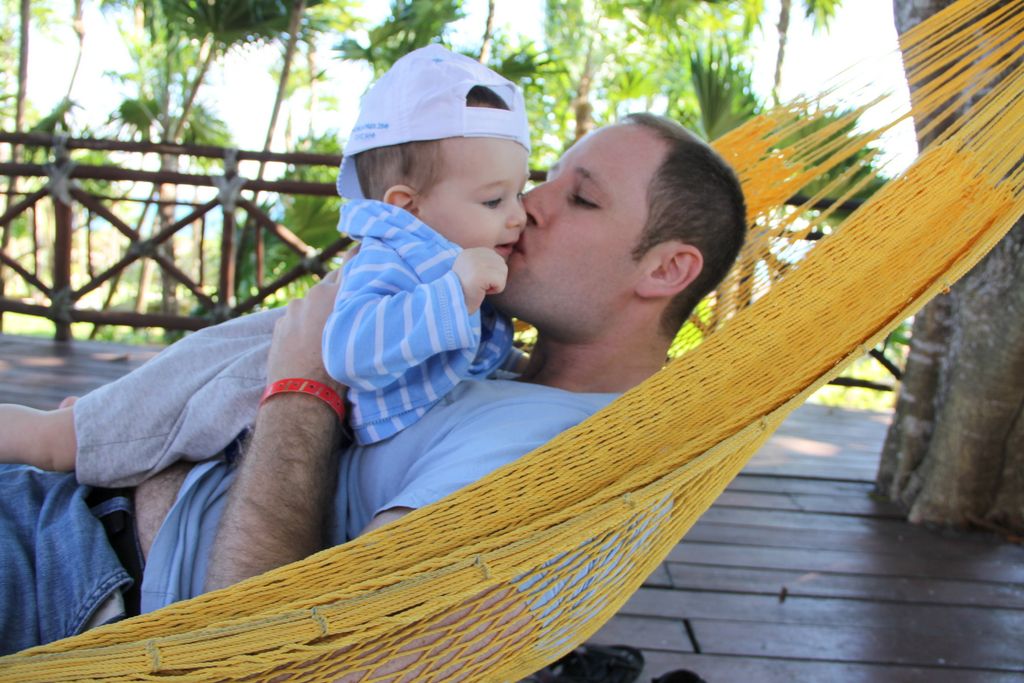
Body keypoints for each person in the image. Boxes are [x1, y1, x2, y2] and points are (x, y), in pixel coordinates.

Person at [0, 111, 747, 656]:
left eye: (580, 199)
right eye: (545, 180)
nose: (529, 206)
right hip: (75, 503)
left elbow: (283, 653)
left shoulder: (556, 458)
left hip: (74, 583)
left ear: (666, 269)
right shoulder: (488, 349)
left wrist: (302, 385)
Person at [0, 45, 531, 483]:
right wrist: (453, 293)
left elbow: (458, 353)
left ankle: (103, 413)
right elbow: (348, 352)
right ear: (406, 208)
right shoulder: (392, 263)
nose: (518, 216)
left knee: (132, 416)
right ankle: (53, 427)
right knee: (67, 442)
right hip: (244, 382)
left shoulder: (442, 264)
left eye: (519, 193)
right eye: (494, 201)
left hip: (261, 392)